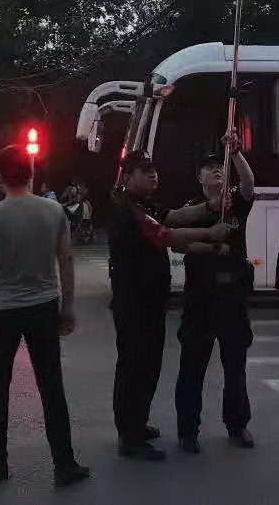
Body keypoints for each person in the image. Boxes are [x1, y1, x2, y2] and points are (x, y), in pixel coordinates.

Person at [0, 146, 90, 488]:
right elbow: (66, 260)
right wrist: (68, 306)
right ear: (31, 173)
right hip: (44, 306)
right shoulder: (53, 211)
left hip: (4, 311)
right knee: (51, 386)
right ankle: (64, 463)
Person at [108, 150, 232, 461]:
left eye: (154, 169)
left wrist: (210, 208)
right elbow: (166, 235)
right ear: (128, 176)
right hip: (134, 304)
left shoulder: (145, 204)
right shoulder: (127, 209)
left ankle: (137, 423)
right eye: (144, 171)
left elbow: (173, 217)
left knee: (149, 364)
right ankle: (130, 436)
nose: (153, 175)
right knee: (135, 367)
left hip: (151, 302)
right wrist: (209, 232)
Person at [173, 133, 256, 454]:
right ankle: (188, 430)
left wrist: (235, 153)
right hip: (200, 301)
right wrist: (210, 243)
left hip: (233, 300)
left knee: (235, 367)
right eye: (209, 168)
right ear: (200, 178)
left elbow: (248, 183)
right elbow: (176, 240)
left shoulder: (235, 202)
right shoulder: (193, 208)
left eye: (220, 166)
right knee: (192, 368)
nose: (217, 170)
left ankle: (237, 424)